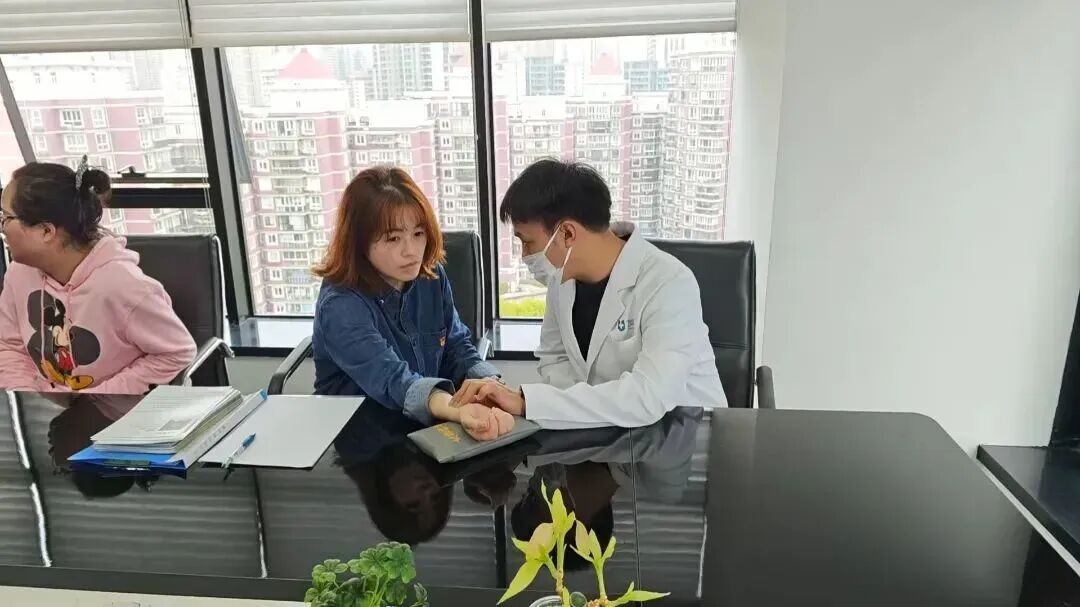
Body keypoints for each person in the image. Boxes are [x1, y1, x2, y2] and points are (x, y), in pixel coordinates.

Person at [453, 159, 727, 428]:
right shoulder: (561, 280)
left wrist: (528, 402)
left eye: (527, 242)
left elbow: (649, 396)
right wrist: (558, 409)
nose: (525, 255)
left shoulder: (668, 282)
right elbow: (554, 360)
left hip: (686, 435)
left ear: (567, 234)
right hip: (606, 436)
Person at [312, 166, 512, 441]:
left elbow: (456, 348)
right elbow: (392, 379)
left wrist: (492, 387)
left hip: (429, 427)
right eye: (394, 238)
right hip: (362, 437)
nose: (412, 251)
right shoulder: (340, 305)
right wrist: (457, 409)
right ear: (359, 242)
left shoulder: (431, 275)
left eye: (418, 233)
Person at [0, 158, 196, 394]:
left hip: (118, 410)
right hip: (48, 411)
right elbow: (10, 346)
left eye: (6, 218)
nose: (2, 228)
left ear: (46, 231)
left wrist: (97, 398)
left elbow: (177, 353)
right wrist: (24, 398)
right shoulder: (19, 273)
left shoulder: (125, 287)